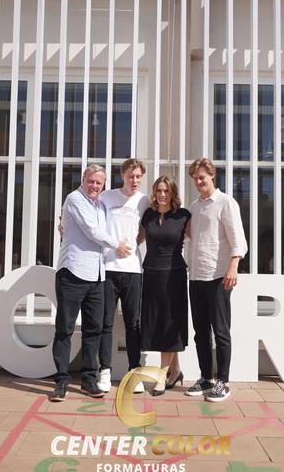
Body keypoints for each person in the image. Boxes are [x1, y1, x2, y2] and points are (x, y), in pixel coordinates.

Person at [50, 165, 131, 402]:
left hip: (97, 276)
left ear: (104, 185)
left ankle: (88, 379)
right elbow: (91, 231)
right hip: (72, 273)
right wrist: (117, 245)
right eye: (91, 181)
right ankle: (61, 382)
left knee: (93, 330)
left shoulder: (101, 205)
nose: (94, 186)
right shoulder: (74, 199)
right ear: (83, 180)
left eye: (99, 183)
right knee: (64, 330)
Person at [185, 158, 248, 402]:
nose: (199, 181)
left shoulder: (225, 202)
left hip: (219, 276)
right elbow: (192, 237)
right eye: (195, 178)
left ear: (212, 176)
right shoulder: (194, 207)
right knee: (200, 332)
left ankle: (223, 381)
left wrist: (234, 266)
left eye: (202, 177)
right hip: (196, 276)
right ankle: (206, 378)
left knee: (220, 331)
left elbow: (238, 239)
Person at [96, 159, 149, 393]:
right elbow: (90, 218)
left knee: (133, 324)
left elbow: (148, 226)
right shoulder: (107, 197)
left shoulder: (144, 200)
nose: (134, 180)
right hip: (108, 268)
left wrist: (141, 238)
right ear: (122, 175)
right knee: (105, 323)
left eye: (138, 176)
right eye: (130, 176)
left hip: (133, 270)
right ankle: (104, 372)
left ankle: (134, 373)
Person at [138, 175, 191, 396]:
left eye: (166, 191)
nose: (162, 195)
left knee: (169, 323)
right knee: (158, 323)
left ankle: (162, 376)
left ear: (172, 193)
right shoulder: (148, 215)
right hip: (151, 274)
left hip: (174, 276)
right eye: (159, 190)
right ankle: (175, 370)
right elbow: (137, 239)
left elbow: (200, 238)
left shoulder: (183, 215)